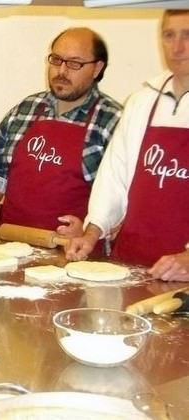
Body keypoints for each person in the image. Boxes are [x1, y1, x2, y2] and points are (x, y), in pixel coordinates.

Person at [67, 10, 189, 282]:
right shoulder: (142, 101)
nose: (177, 47)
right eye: (169, 35)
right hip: (133, 262)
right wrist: (93, 230)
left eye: (187, 35)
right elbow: (114, 176)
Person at [0, 27, 122, 242]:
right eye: (56, 60)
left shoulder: (113, 121)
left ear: (97, 68)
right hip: (12, 247)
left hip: (74, 252)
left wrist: (90, 229)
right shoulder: (25, 109)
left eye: (74, 63)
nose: (62, 71)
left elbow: (123, 195)